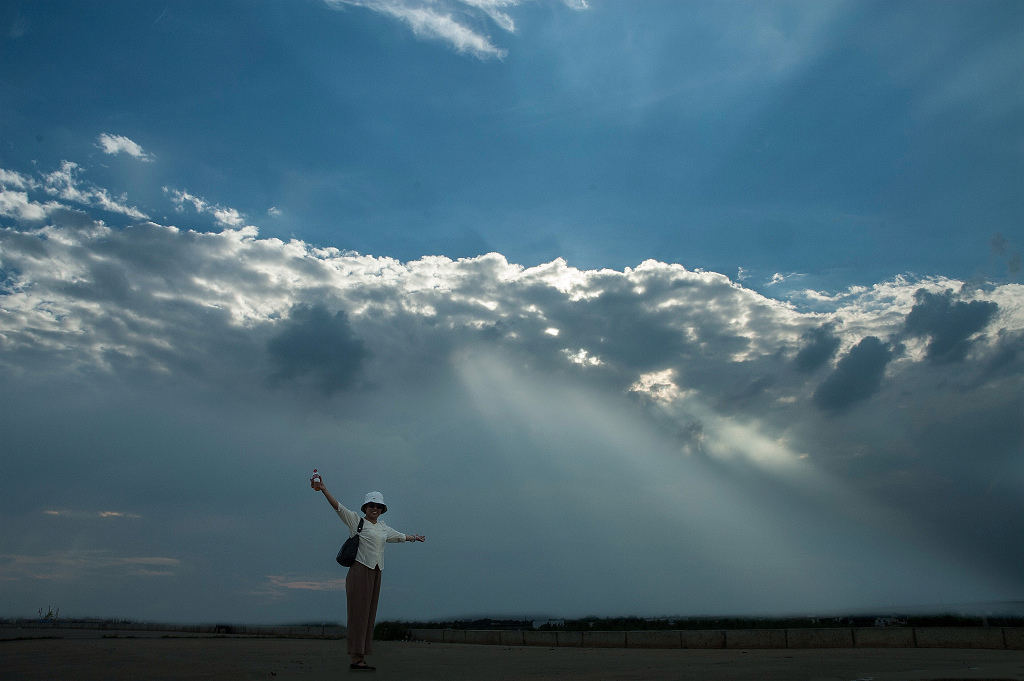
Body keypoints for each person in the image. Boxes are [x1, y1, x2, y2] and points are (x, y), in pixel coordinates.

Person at [312, 475, 425, 671]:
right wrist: (323, 489)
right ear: (365, 507)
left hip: (376, 572)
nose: (375, 509)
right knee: (358, 615)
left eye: (378, 506)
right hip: (359, 571)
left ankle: (361, 656)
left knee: (369, 615)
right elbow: (338, 507)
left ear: (382, 509)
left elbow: (398, 536)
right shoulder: (356, 521)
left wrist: (414, 537)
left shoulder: (382, 527)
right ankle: (356, 658)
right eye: (371, 505)